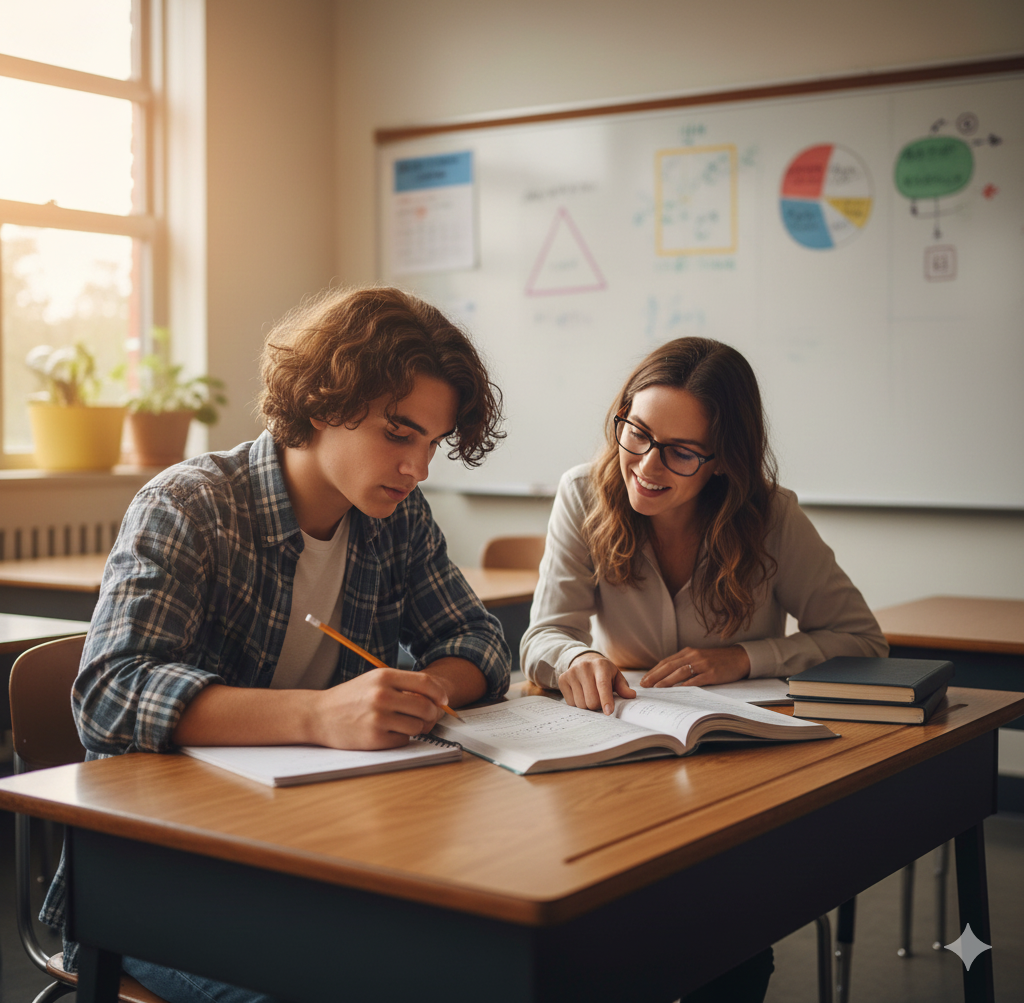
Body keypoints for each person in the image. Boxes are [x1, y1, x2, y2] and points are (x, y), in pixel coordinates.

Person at [41, 286, 512, 1003]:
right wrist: (317, 717)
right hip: (155, 881)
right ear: (325, 403)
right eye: (398, 433)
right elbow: (109, 694)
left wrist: (426, 691)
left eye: (431, 443)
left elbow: (479, 640)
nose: (418, 469)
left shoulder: (397, 520)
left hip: (314, 853)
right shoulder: (190, 505)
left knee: (471, 967)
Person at [520, 336, 887, 1003]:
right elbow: (545, 634)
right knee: (598, 940)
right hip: (619, 766)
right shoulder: (584, 492)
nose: (647, 465)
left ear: (724, 461)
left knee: (728, 953)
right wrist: (578, 657)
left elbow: (861, 640)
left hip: (736, 774)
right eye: (637, 433)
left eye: (681, 452)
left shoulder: (772, 517)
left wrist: (745, 658)